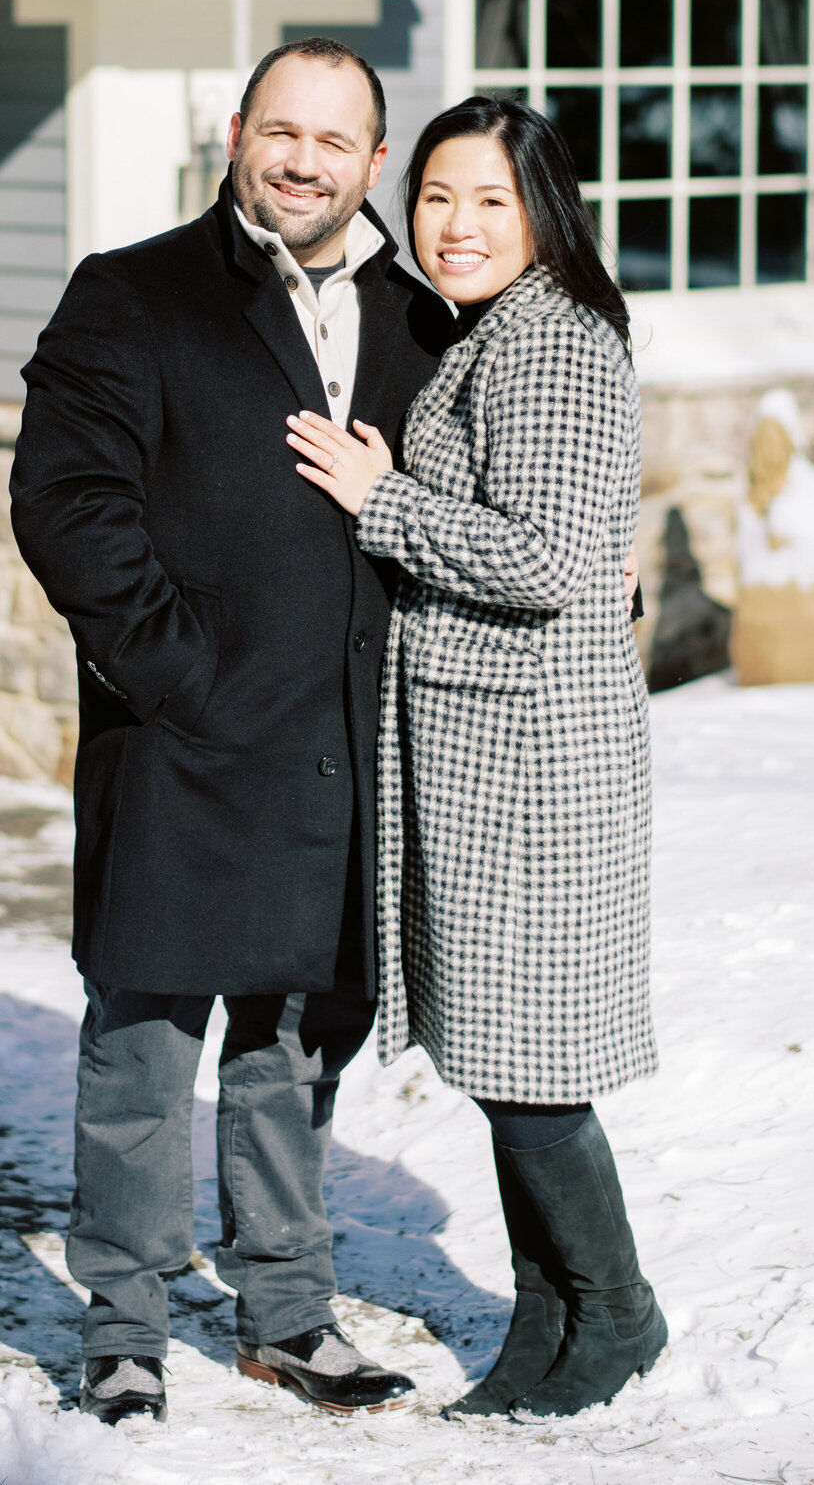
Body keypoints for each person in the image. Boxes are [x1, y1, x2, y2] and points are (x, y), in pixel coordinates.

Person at [9, 38, 452, 1426]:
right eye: (283, 128)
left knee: (289, 1055)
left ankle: (287, 1311)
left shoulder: (419, 318)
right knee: (142, 1049)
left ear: (375, 162)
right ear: (238, 133)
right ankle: (127, 1323)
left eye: (336, 138)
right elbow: (68, 505)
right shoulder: (133, 292)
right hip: (184, 745)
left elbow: (462, 505)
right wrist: (182, 675)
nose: (305, 157)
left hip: (343, 749)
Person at [286, 94, 666, 1420]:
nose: (455, 225)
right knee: (514, 1060)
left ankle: (614, 1310)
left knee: (529, 1068)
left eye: (488, 200)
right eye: (439, 197)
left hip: (532, 763)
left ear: (542, 211)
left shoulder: (550, 343)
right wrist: (416, 478)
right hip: (502, 750)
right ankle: (555, 1317)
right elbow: (554, 527)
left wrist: (378, 498)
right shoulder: (500, 331)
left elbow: (557, 562)